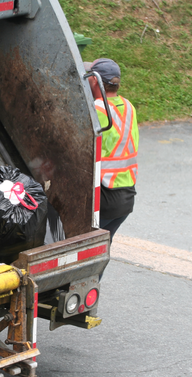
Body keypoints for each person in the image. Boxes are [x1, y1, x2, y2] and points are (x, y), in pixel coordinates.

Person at [84, 58, 139, 246]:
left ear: (94, 80)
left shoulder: (97, 109)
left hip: (104, 197)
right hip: (126, 198)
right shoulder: (128, 106)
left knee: (84, 251)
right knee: (100, 251)